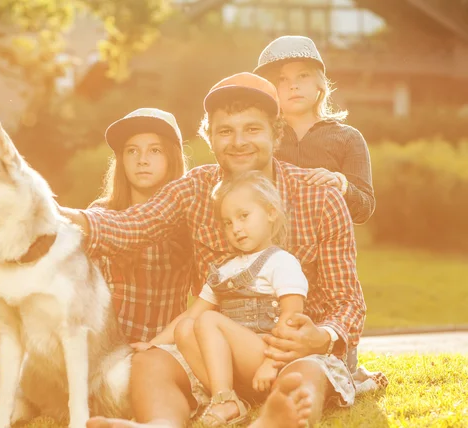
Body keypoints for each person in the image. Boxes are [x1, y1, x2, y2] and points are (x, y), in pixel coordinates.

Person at [60, 71, 370, 428]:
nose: (238, 142)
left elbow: (347, 300)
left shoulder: (319, 196)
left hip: (297, 351)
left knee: (303, 375)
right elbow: (136, 224)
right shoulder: (195, 188)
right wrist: (68, 218)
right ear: (209, 137)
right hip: (215, 353)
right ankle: (160, 424)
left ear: (276, 133)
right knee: (149, 362)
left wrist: (321, 336)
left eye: (252, 129)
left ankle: (275, 419)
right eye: (225, 131)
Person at [0, 107, 198, 413]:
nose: (142, 159)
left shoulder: (185, 225)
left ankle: (10, 401)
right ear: (121, 160)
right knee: (33, 363)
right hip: (87, 344)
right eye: (132, 151)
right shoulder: (99, 213)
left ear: (172, 158)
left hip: (145, 354)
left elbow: (206, 298)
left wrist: (164, 341)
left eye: (155, 150)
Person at [133, 171, 310, 426]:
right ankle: (228, 398)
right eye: (228, 223)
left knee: (208, 320)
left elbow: (292, 319)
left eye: (244, 216)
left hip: (270, 359)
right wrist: (154, 345)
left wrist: (271, 363)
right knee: (186, 327)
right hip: (238, 371)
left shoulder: (281, 262)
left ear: (271, 213)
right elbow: (191, 315)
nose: (236, 228)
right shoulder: (226, 269)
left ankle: (225, 402)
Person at [253, 35, 375, 225]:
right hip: (270, 248)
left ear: (319, 82)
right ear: (270, 89)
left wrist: (340, 185)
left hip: (328, 249)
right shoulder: (259, 137)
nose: (293, 85)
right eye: (282, 79)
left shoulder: (349, 138)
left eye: (303, 75)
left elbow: (364, 209)